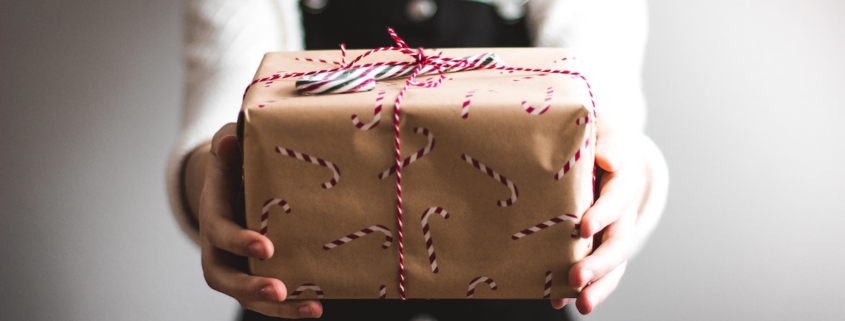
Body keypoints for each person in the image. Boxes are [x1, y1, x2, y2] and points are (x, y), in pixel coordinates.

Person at [166, 0, 668, 320]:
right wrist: (212, 190)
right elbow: (220, 118)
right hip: (299, 300)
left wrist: (627, 182)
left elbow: (606, 116)